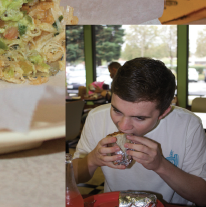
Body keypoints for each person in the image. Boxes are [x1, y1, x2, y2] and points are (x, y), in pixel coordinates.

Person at [73, 58, 206, 206]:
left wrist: (161, 165)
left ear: (163, 113)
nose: (123, 126)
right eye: (116, 110)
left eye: (139, 117)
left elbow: (202, 196)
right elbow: (73, 178)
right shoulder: (96, 118)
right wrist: (92, 160)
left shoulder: (188, 125)